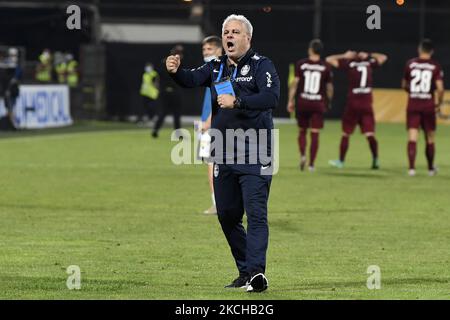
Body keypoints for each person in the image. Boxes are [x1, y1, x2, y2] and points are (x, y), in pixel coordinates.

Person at [166, 14, 280, 292]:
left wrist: (238, 100)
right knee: (227, 215)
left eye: (235, 32)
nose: (229, 36)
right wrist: (175, 72)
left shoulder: (261, 65)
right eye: (226, 32)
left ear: (247, 38)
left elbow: (271, 97)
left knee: (256, 214)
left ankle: (256, 273)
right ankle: (245, 271)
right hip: (224, 152)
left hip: (256, 152)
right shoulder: (216, 67)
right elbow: (191, 79)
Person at [326, 50, 388, 169]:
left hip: (353, 104)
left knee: (346, 133)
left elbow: (329, 59)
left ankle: (341, 161)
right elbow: (384, 57)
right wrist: (369, 55)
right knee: (370, 134)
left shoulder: (350, 63)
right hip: (366, 104)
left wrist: (344, 55)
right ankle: (375, 160)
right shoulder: (369, 63)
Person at [287, 39, 333, 172]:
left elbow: (295, 83)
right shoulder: (326, 66)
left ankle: (302, 155)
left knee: (302, 131)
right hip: (317, 103)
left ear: (310, 50)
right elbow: (329, 87)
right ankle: (311, 164)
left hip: (303, 102)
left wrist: (290, 100)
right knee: (315, 133)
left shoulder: (301, 64)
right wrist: (329, 101)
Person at [402, 39, 444, 176]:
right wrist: (439, 102)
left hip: (413, 104)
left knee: (412, 137)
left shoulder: (410, 64)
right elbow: (440, 88)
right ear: (432, 51)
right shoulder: (435, 66)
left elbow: (404, 84)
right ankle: (431, 169)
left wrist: (413, 93)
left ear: (419, 50)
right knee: (430, 137)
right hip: (428, 105)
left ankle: (412, 169)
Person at [199, 35, 223, 215]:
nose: (206, 53)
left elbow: (221, 97)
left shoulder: (220, 69)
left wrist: (209, 120)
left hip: (214, 124)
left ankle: (217, 204)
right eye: (204, 50)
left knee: (212, 164)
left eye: (209, 50)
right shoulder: (212, 69)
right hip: (210, 122)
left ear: (219, 50)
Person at [152, 45, 184, 138]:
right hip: (175, 92)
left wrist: (159, 88)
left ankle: (155, 130)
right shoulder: (178, 63)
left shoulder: (163, 62)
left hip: (164, 92)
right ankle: (177, 134)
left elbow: (157, 77)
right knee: (176, 114)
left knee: (163, 112)